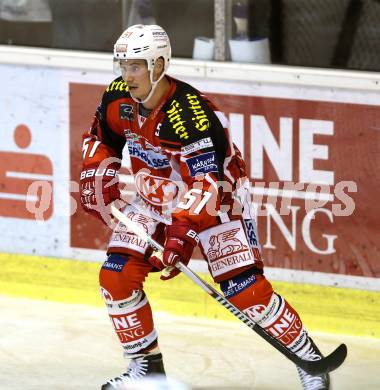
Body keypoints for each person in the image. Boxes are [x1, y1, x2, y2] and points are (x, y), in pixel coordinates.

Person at [79, 24, 330, 390]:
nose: (126, 75)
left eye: (136, 66)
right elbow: (101, 138)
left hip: (219, 202)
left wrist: (181, 235)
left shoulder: (190, 113)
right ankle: (146, 370)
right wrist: (95, 171)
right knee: (115, 275)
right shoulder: (117, 97)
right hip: (156, 199)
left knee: (243, 289)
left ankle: (309, 360)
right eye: (123, 65)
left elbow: (207, 183)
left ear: (159, 64)